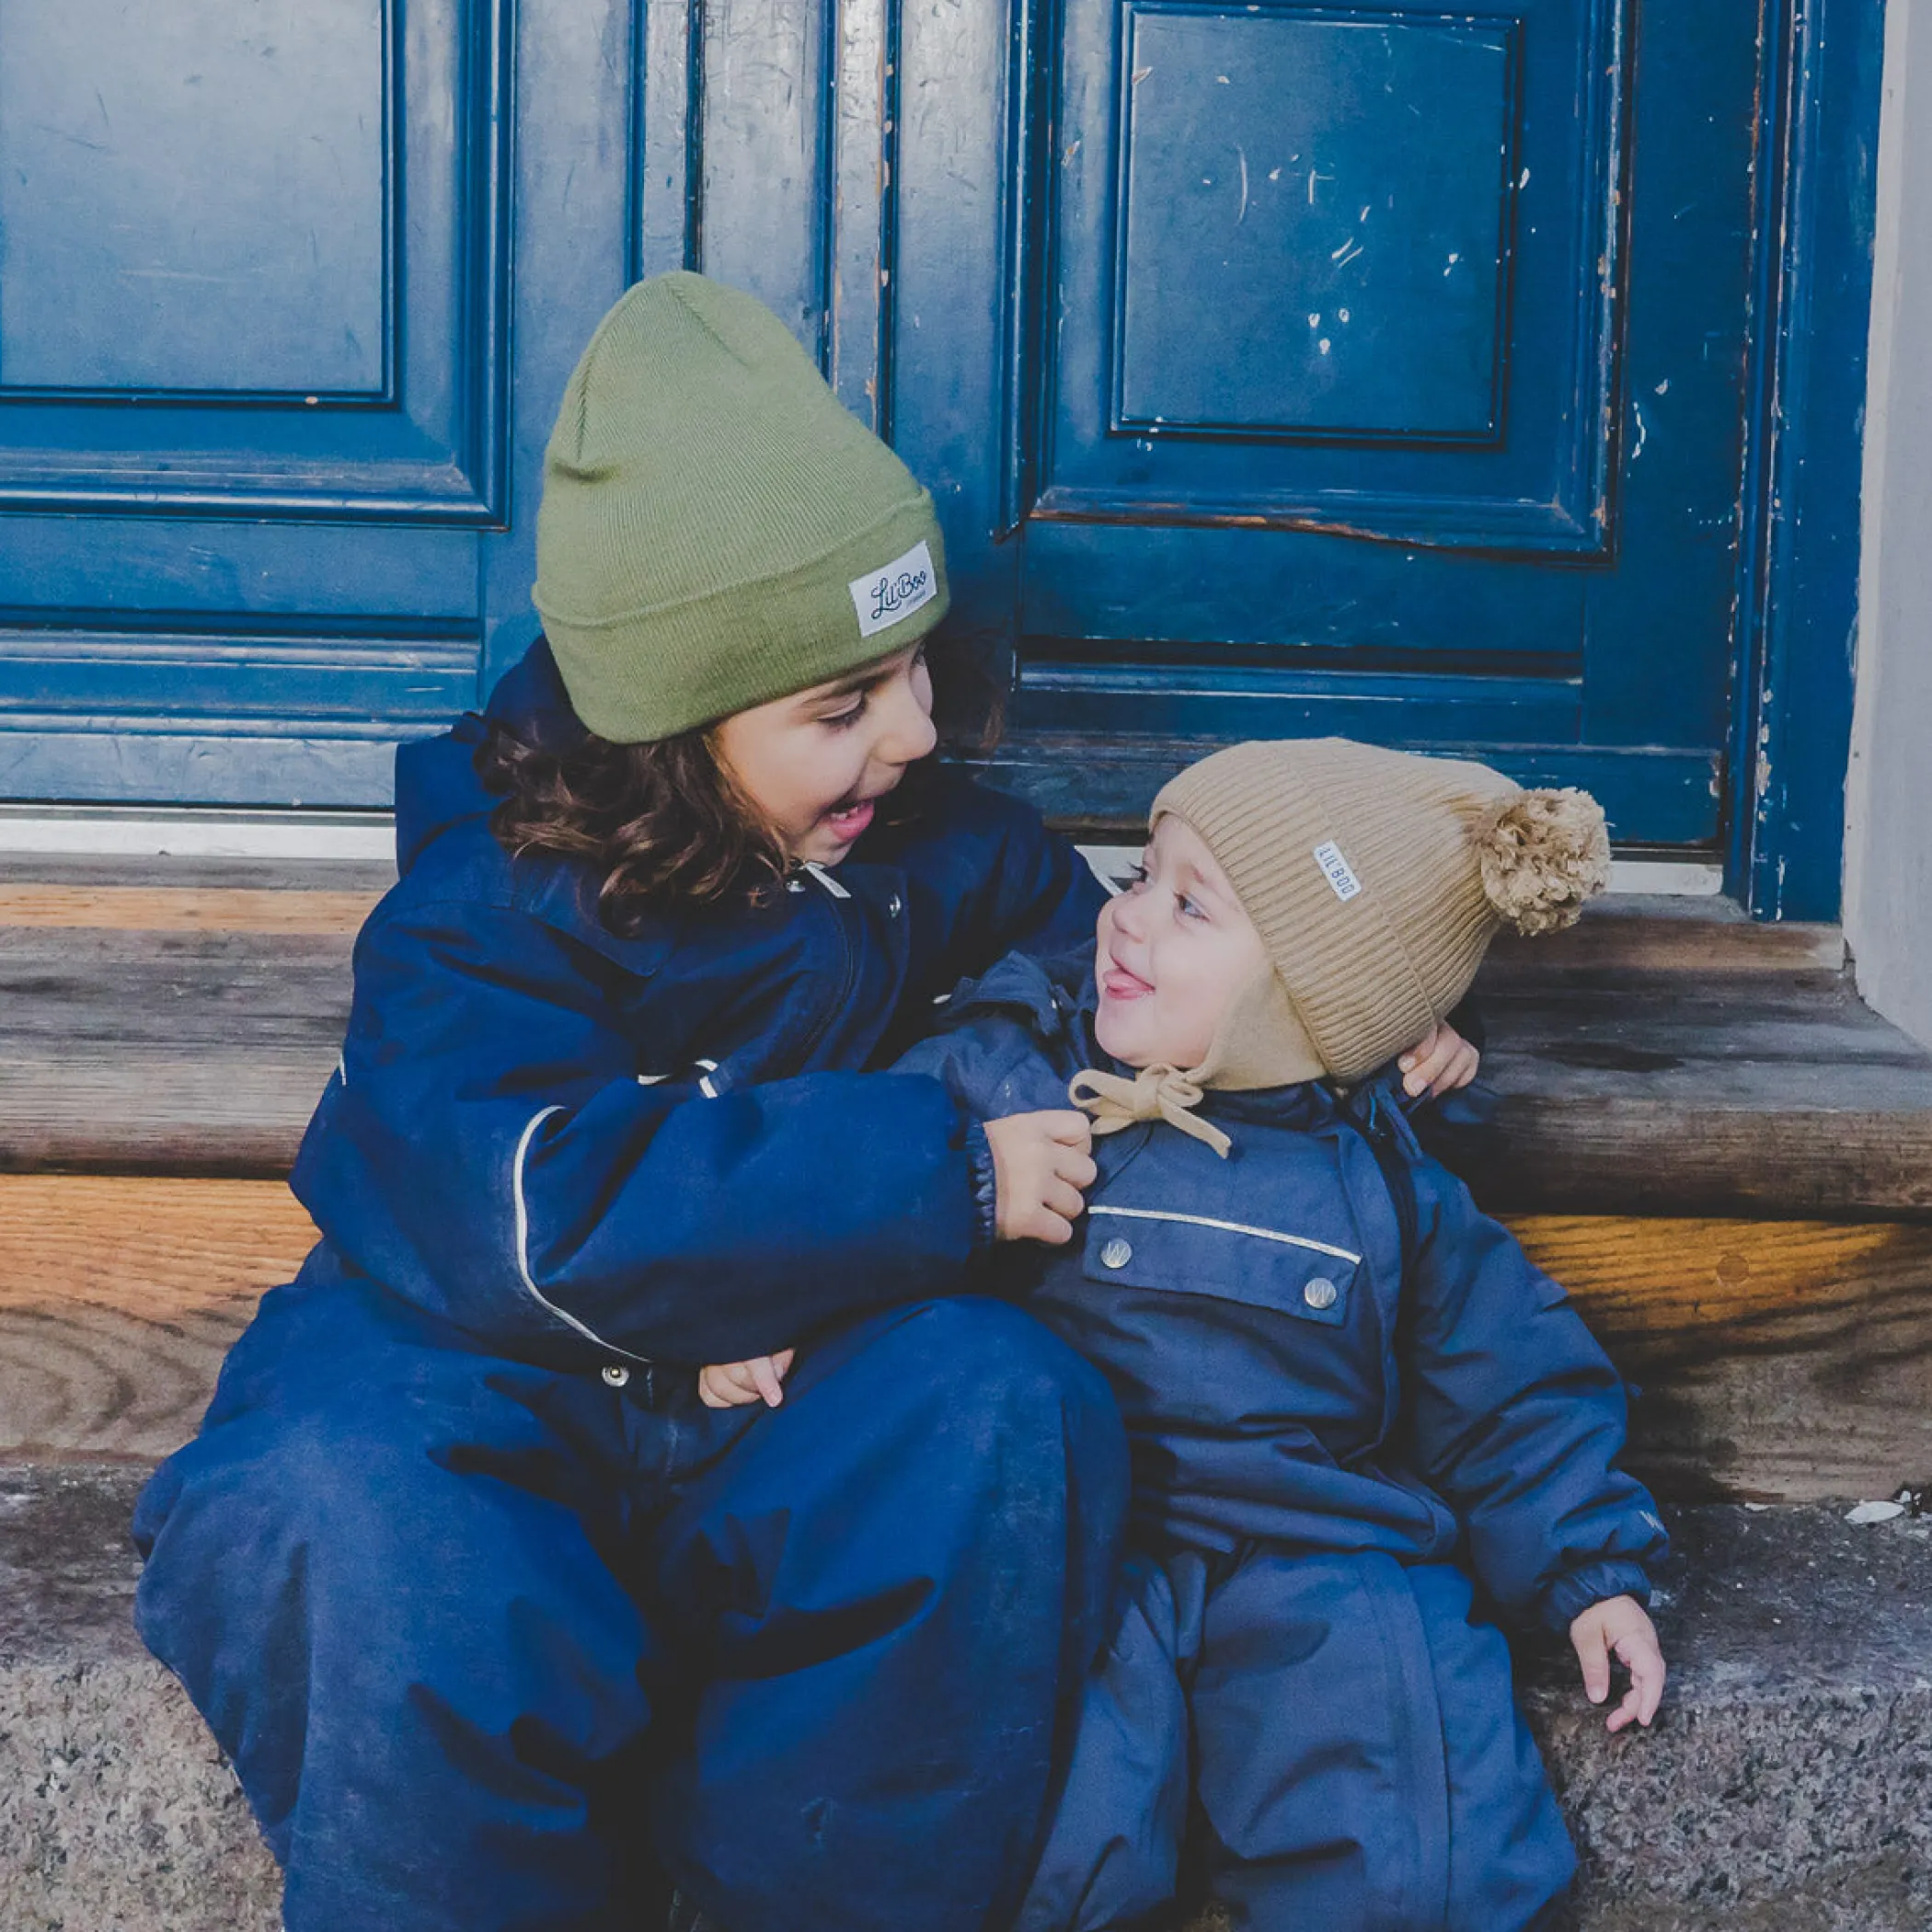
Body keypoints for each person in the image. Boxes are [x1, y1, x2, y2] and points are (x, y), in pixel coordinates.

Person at [705, 738, 1668, 1931]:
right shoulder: (1011, 1074)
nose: (1128, 921)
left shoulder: (1381, 1169)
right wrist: (762, 1296)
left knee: (1414, 1835)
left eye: (1189, 904)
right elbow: (861, 1181)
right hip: (1073, 1550)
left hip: (1316, 1543)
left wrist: (1588, 1570)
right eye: (1138, 878)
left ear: (1313, 995)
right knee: (1053, 1838)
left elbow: (1509, 1378)